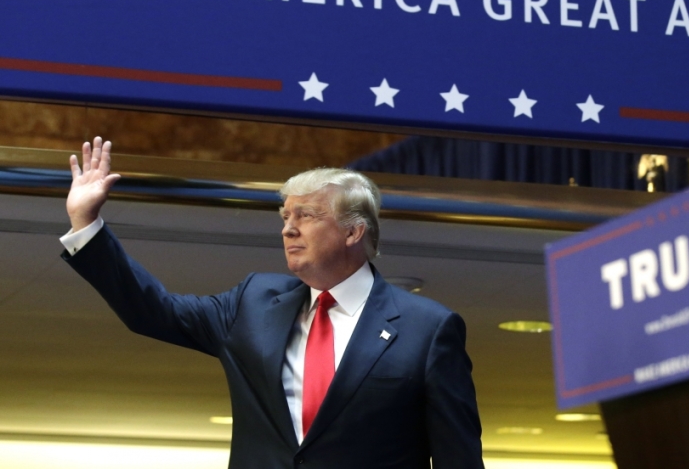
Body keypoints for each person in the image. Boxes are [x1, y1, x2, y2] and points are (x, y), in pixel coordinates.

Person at [61, 137, 484, 469]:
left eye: (307, 216)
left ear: (354, 232)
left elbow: (458, 459)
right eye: (285, 217)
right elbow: (153, 310)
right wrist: (87, 225)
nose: (288, 230)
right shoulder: (253, 302)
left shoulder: (427, 329)